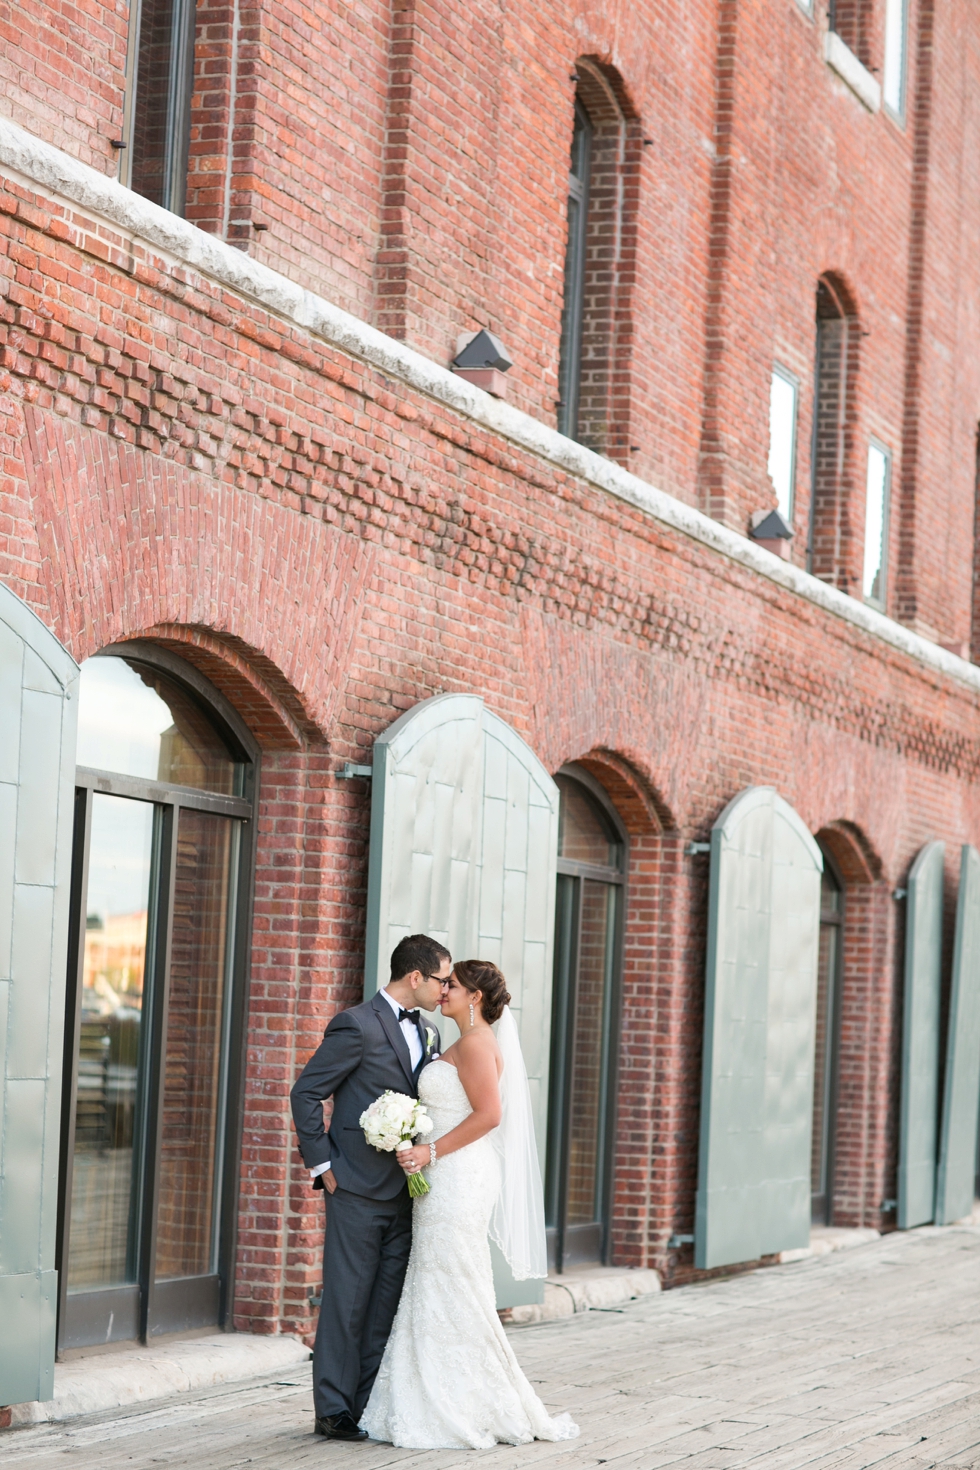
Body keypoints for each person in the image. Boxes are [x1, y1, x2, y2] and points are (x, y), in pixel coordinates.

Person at [360, 959, 580, 1449]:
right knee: (437, 1278)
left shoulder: (478, 1045)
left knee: (455, 1277)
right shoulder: (456, 1043)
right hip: (442, 1174)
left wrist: (430, 1150)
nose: (443, 991)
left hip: (460, 1175)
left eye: (453, 985)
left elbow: (490, 1115)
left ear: (475, 996)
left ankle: (466, 1401)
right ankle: (440, 1395)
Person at [290, 933, 452, 1441]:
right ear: (415, 977)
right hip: (355, 1188)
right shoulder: (355, 1025)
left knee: (385, 1303)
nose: (446, 990)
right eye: (442, 980)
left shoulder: (429, 1033)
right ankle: (332, 1409)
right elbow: (306, 1092)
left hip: (407, 1191)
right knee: (347, 1300)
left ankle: (366, 1405)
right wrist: (322, 1165)